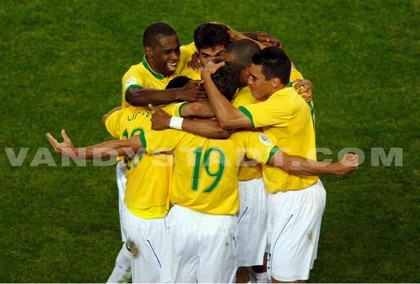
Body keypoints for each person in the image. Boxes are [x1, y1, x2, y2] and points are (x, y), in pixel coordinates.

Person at [47, 65, 358, 283]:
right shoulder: (245, 134)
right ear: (233, 96)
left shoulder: (172, 128)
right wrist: (334, 167)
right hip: (218, 226)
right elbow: (289, 162)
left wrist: (77, 152)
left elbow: (123, 146)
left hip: (179, 220)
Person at [200, 46, 336, 282]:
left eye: (253, 76)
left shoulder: (281, 101)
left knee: (280, 275)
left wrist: (205, 79)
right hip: (282, 190)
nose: (248, 79)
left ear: (273, 82)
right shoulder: (288, 84)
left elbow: (227, 120)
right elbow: (284, 60)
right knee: (280, 270)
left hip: (294, 193)